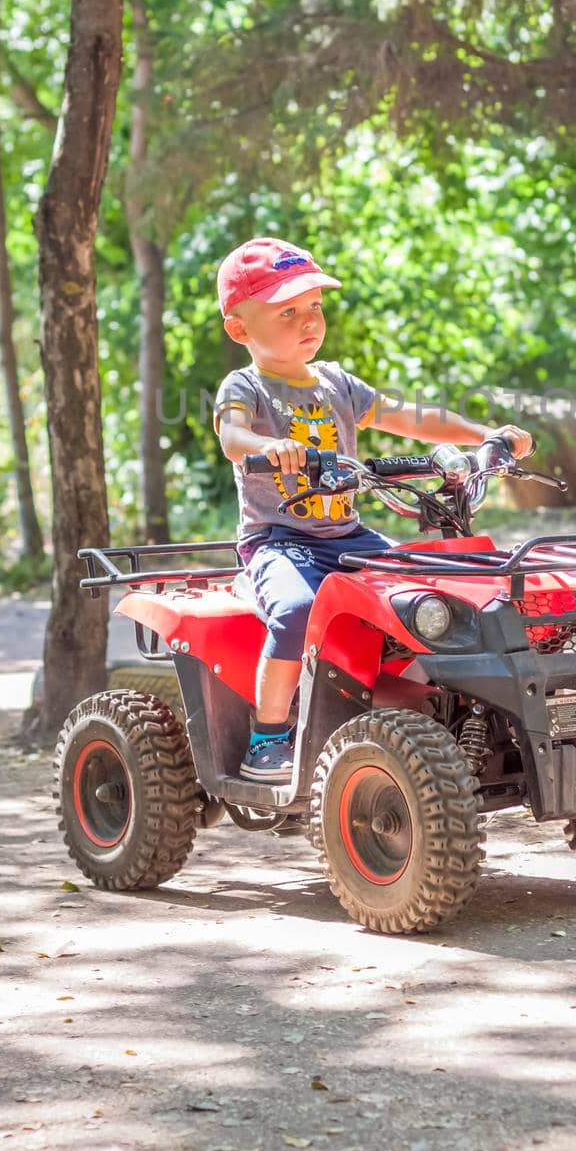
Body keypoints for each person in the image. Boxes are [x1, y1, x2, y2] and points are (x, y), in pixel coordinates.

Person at [212, 236, 533, 781]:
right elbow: (232, 434)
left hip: (348, 536)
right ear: (241, 329)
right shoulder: (246, 385)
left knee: (428, 594)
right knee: (295, 610)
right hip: (279, 540)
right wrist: (270, 448)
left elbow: (408, 417)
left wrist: (484, 434)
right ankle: (268, 736)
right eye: (286, 311)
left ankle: (428, 716)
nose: (307, 320)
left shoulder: (336, 382)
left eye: (314, 306)